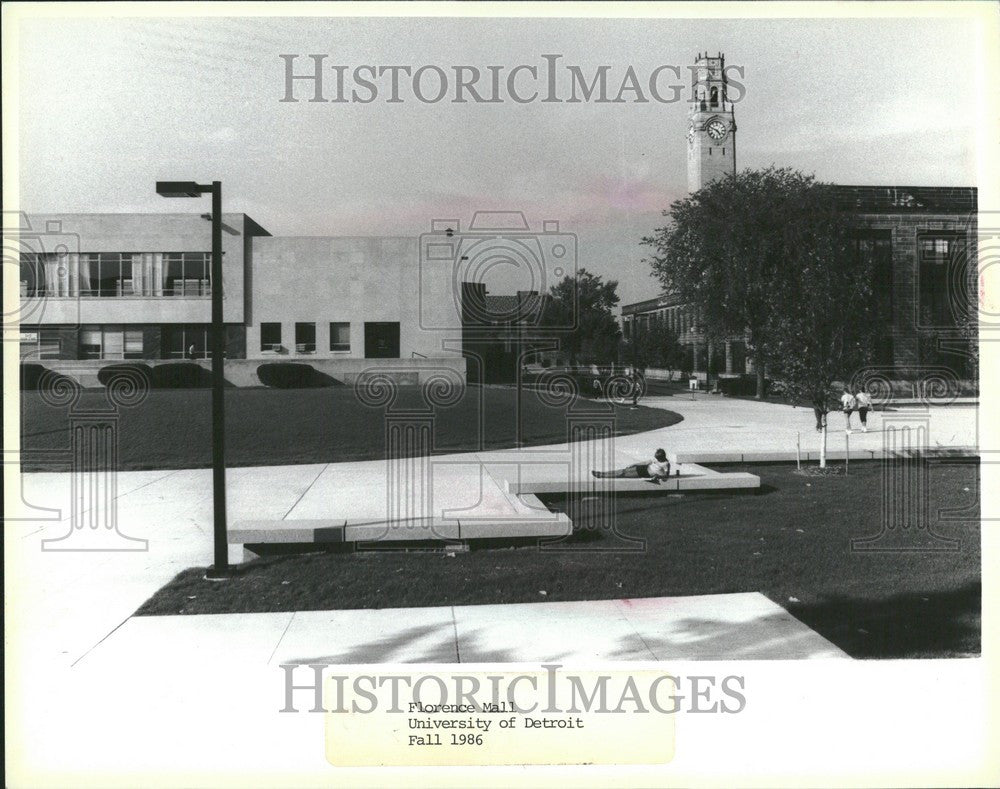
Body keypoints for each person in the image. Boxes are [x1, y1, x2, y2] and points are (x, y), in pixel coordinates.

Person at [592, 448, 671, 483]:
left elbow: (666, 477)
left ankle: (601, 475)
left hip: (644, 473)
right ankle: (602, 473)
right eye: (656, 457)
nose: (656, 459)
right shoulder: (656, 458)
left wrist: (658, 476)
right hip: (643, 468)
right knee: (623, 470)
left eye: (658, 458)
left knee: (623, 474)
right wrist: (634, 464)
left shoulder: (666, 464)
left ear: (662, 457)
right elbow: (645, 462)